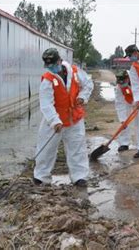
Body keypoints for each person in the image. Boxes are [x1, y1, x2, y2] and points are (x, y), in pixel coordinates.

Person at [33, 48, 94, 187]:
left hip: (74, 118)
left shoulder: (76, 72)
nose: (51, 68)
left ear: (60, 61)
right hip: (55, 120)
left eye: (53, 64)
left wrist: (82, 97)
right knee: (46, 147)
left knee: (77, 148)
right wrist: (55, 121)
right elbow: (46, 104)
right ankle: (41, 177)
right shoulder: (47, 80)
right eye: (48, 66)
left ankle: (79, 177)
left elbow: (88, 85)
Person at [114, 70, 137, 152]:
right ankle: (124, 143)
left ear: (128, 78)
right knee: (124, 124)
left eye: (123, 82)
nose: (122, 85)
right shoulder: (119, 87)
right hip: (127, 100)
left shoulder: (137, 79)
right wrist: (122, 119)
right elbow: (120, 103)